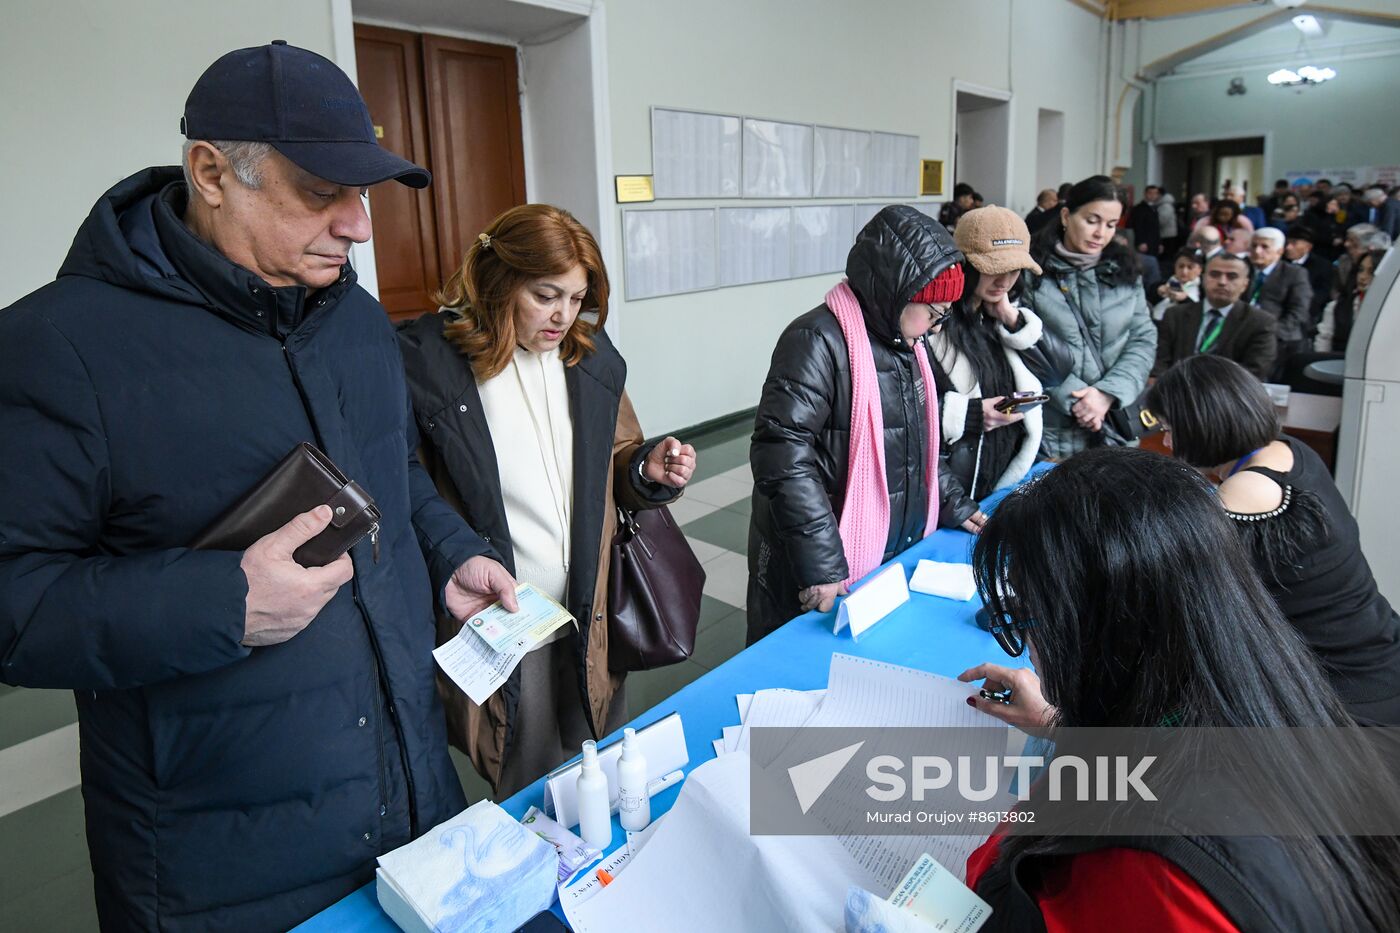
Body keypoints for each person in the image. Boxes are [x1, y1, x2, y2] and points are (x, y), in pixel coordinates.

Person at [0, 42, 519, 930]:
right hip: (219, 862)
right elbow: (15, 597)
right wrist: (223, 600)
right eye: (322, 192)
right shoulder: (60, 349)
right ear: (211, 171)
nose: (358, 225)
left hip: (411, 794)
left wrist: (447, 555)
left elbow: (388, 474)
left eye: (365, 194)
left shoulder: (355, 320)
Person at [959, 447, 1400, 931]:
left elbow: (993, 896)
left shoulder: (1142, 864)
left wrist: (1037, 808)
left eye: (1029, 618)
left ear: (1101, 634)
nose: (1030, 648)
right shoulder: (1282, 698)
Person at [398, 205, 694, 797]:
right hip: (507, 610)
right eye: (545, 295)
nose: (563, 315)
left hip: (591, 598)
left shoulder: (586, 352)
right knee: (529, 775)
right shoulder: (428, 360)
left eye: (577, 297)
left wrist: (646, 470)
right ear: (499, 279)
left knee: (607, 759)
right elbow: (408, 484)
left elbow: (620, 457)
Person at [748, 206, 963, 643]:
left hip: (886, 550)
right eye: (933, 312)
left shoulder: (907, 344)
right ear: (895, 293)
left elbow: (923, 449)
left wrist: (954, 502)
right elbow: (782, 455)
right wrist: (823, 563)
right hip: (817, 559)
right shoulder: (816, 339)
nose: (937, 328)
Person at [1147, 356, 1400, 725]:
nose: (1167, 441)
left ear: (1203, 424)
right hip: (1375, 645)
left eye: (1171, 429)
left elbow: (1182, 589)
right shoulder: (1290, 450)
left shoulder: (1248, 489)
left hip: (1343, 685)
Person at [929, 207, 1071, 533]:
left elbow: (1056, 372)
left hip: (1005, 483)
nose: (1005, 280)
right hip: (955, 495)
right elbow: (903, 414)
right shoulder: (933, 323)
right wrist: (971, 415)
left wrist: (1011, 317)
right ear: (965, 265)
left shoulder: (1004, 317)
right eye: (993, 269)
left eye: (1015, 269)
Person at [1023, 175, 1156, 457]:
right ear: (1065, 215)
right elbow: (1024, 344)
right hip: (1049, 428)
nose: (1101, 233)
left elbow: (1143, 339)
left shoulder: (1125, 271)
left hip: (1112, 424)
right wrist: (1080, 402)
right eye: (1092, 220)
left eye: (1111, 224)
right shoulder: (1031, 271)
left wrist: (1107, 394)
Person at [1152, 252, 1276, 380]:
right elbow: (1159, 361)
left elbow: (1254, 370)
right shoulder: (1175, 315)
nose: (1222, 282)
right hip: (1176, 390)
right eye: (1214, 275)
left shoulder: (1260, 322)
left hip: (1229, 394)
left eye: (1231, 276)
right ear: (1203, 278)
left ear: (1245, 284)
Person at [1247, 227, 1313, 377]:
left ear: (1279, 251)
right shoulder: (1244, 270)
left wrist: (1269, 333)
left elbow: (1299, 312)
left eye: (1264, 247)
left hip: (1281, 340)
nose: (1257, 251)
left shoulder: (1295, 274)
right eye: (1254, 245)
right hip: (1245, 335)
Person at [1317, 247, 1387, 353]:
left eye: (1371, 272)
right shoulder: (1336, 307)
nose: (1362, 277)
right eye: (1361, 270)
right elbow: (1323, 342)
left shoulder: (1392, 311)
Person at [1284, 224, 1332, 327]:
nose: (1288, 247)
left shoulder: (1322, 266)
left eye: (1294, 243)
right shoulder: (1280, 261)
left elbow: (1322, 293)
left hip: (1307, 314)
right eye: (1287, 243)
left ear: (1308, 247)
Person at [1150, 246, 1203, 321]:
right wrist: (1158, 292)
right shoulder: (1165, 282)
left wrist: (1184, 299)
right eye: (1181, 266)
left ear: (1199, 269)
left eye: (1190, 267)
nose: (1184, 271)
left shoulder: (1203, 289)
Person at [1128, 186, 1162, 257]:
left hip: (1154, 243)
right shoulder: (1139, 208)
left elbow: (1157, 227)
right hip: (1145, 243)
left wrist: (1159, 243)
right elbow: (1137, 226)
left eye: (1155, 193)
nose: (1153, 195)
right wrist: (1141, 242)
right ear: (1145, 194)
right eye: (1150, 193)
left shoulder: (1155, 208)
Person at [1155, 187, 1180, 255]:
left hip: (1167, 234)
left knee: (1166, 254)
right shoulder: (1163, 204)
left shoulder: (1166, 205)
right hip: (1167, 233)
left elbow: (1162, 220)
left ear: (1160, 194)